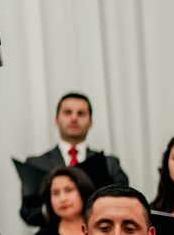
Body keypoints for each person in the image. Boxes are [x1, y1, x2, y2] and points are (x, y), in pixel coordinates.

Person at [20, 93, 129, 226]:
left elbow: (125, 204)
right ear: (56, 119)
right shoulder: (35, 164)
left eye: (81, 113)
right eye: (67, 112)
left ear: (91, 122)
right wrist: (54, 207)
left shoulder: (109, 164)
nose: (74, 118)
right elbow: (28, 213)